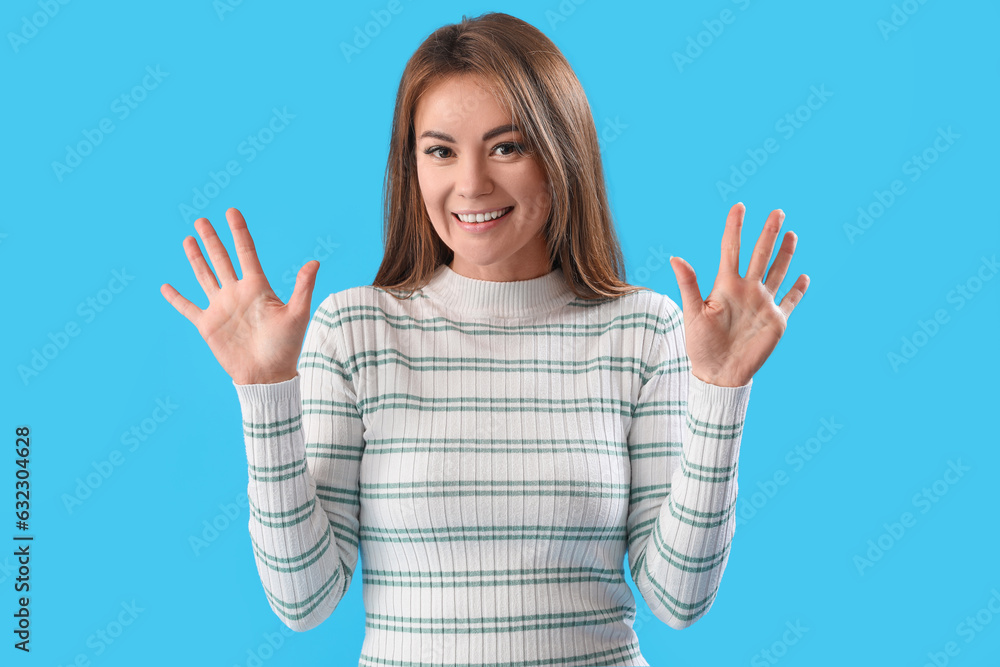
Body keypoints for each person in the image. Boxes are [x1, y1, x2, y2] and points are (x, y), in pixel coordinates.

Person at [160, 11, 808, 666]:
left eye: (507, 147)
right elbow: (304, 602)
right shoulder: (354, 330)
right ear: (411, 167)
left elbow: (677, 597)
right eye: (440, 150)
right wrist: (265, 391)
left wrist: (723, 393)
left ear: (561, 155)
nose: (471, 184)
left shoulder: (643, 328)